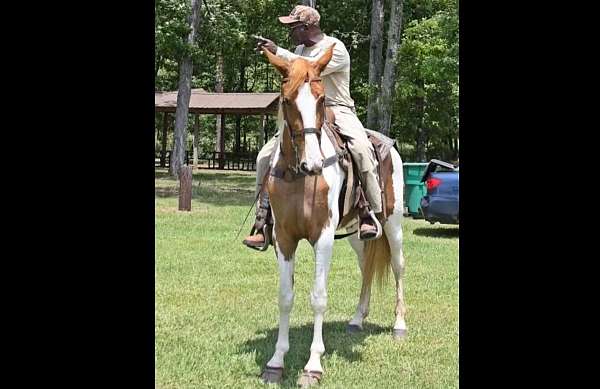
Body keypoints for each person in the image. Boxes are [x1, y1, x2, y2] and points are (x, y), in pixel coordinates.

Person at [243, 5, 382, 250]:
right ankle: (263, 221)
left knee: (361, 149)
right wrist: (275, 55)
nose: (290, 33)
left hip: (337, 109)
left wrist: (279, 52)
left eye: (293, 27)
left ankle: (369, 212)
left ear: (307, 27)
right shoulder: (297, 49)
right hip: (306, 112)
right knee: (265, 156)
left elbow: (310, 67)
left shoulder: (335, 48)